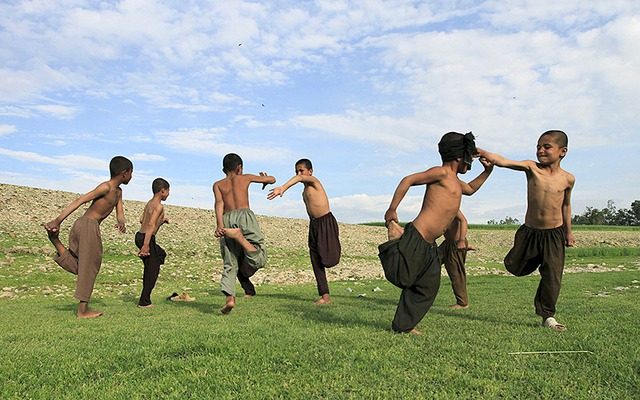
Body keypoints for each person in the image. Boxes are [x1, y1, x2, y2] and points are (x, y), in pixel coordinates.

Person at [379, 132, 493, 334]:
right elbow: (408, 180)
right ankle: (391, 247)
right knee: (404, 277)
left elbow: (471, 189)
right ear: (459, 157)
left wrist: (488, 171)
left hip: (431, 243)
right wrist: (392, 209)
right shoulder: (440, 173)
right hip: (418, 235)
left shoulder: (456, 182)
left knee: (428, 285)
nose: (469, 164)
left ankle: (403, 326)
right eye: (468, 158)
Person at [477, 130, 575, 331]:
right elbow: (503, 161)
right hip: (530, 232)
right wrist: (480, 151)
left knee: (553, 275)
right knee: (515, 266)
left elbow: (566, 205)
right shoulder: (532, 168)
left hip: (554, 233)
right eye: (538, 146)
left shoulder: (568, 179)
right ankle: (534, 260)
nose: (541, 150)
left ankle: (548, 315)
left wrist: (568, 231)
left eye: (547, 147)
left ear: (562, 151)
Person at [44, 156, 133, 318]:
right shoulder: (105, 187)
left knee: (81, 266)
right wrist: (58, 220)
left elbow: (120, 212)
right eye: (131, 173)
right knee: (90, 266)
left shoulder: (118, 192)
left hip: (86, 226)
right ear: (124, 173)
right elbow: (80, 200)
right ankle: (83, 310)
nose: (132, 176)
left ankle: (55, 240)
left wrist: (121, 223)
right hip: (88, 226)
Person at [267, 158, 341, 305]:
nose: (299, 173)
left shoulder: (315, 182)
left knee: (330, 259)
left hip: (326, 222)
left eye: (301, 170)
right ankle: (325, 296)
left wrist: (283, 187)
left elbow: (300, 178)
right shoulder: (304, 191)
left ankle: (334, 254)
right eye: (296, 171)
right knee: (315, 259)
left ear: (310, 171)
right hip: (314, 224)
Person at [213, 153, 275, 314]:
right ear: (239, 167)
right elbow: (273, 180)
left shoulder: (218, 184)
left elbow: (219, 203)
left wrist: (220, 224)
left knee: (230, 261)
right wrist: (265, 180)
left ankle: (230, 299)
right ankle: (239, 236)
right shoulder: (245, 177)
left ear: (223, 169)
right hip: (245, 216)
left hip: (226, 219)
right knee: (259, 254)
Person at [135, 178, 170, 308]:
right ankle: (144, 302)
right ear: (162, 191)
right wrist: (146, 245)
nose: (168, 194)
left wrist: (160, 221)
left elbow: (142, 220)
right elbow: (150, 224)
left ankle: (151, 262)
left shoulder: (149, 203)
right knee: (152, 271)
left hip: (139, 235)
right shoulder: (159, 206)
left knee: (161, 255)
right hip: (147, 238)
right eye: (168, 191)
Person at [439, 210, 475, 309]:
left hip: (456, 244)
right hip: (447, 244)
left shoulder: (452, 206)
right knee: (431, 261)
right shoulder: (439, 208)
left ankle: (462, 303)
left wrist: (462, 240)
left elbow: (463, 221)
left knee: (456, 272)